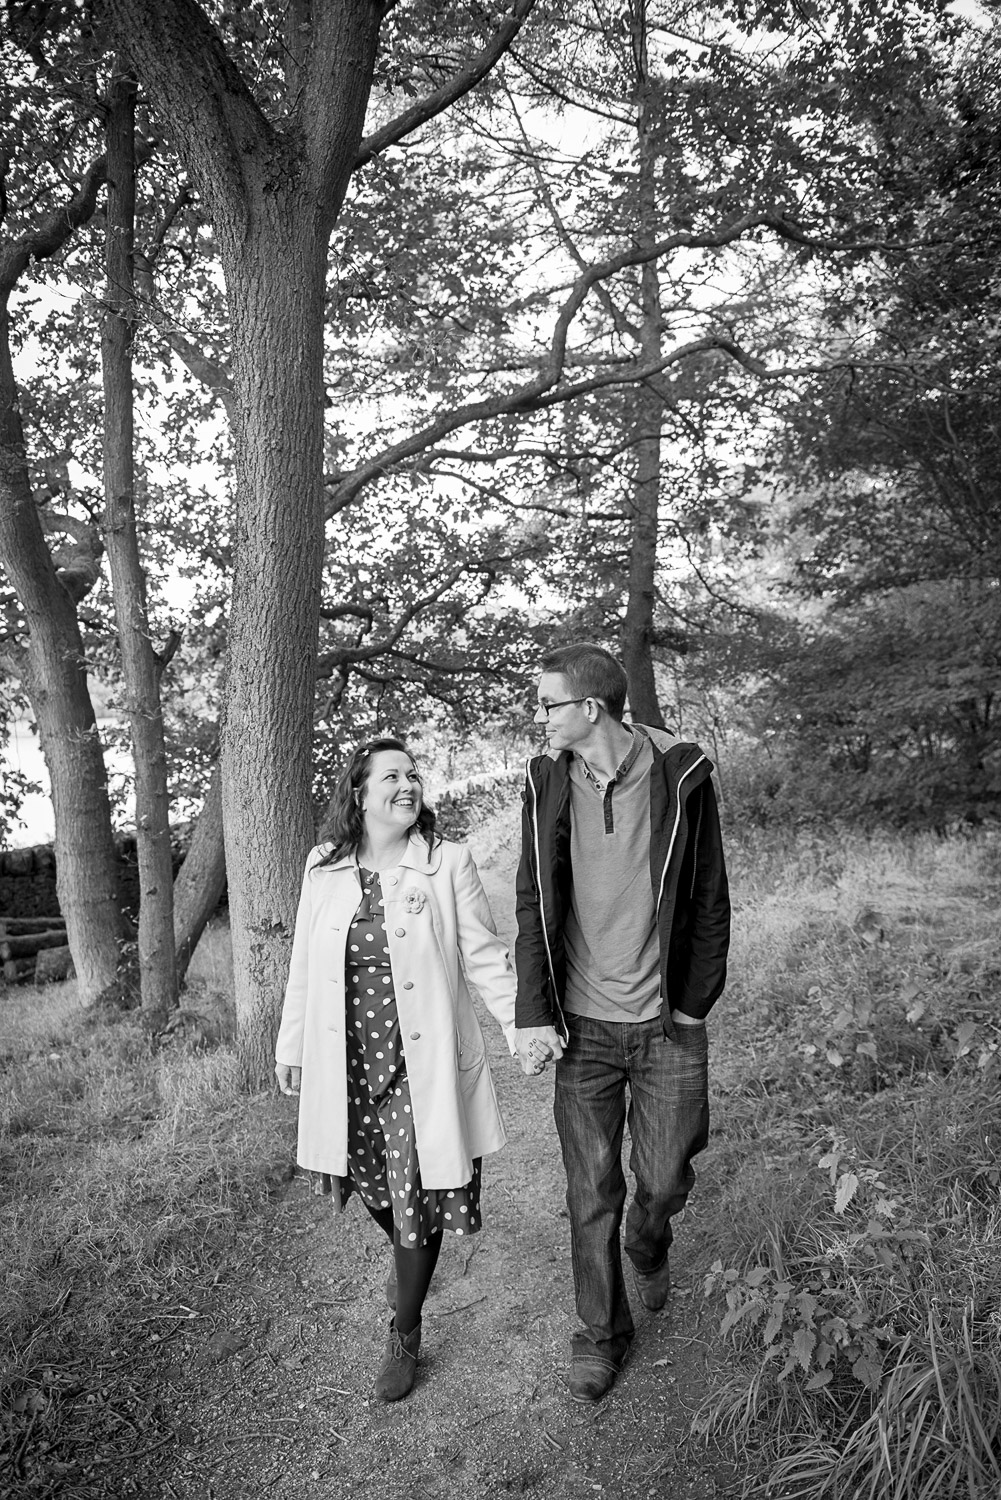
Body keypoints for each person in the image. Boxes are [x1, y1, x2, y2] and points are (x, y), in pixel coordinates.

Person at [514, 643, 730, 1403]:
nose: (538, 716)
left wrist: (691, 1003)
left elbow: (708, 894)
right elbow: (530, 901)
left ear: (589, 709)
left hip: (666, 1022)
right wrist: (535, 1013)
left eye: (546, 703)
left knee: (664, 1177)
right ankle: (600, 1334)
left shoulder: (679, 771)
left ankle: (651, 1238)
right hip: (583, 1027)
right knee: (588, 1189)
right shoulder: (545, 781)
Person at [275, 737, 518, 1403]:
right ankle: (408, 1259)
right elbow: (302, 963)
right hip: (346, 1061)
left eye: (413, 774)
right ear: (358, 793)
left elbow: (485, 956)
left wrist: (519, 1027)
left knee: (417, 1192)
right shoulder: (322, 867)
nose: (407, 784)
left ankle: (404, 1328)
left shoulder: (446, 863)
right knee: (379, 1191)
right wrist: (290, 1046)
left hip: (420, 1062)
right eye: (391, 776)